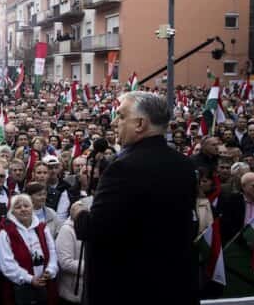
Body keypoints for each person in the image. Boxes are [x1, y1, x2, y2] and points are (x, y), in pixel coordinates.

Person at [73, 91, 198, 304]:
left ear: (140, 124)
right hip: (171, 285)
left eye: (121, 116)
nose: (114, 122)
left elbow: (95, 229)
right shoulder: (184, 165)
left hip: (126, 288)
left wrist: (79, 213)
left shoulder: (122, 168)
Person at [0, 193, 58, 304]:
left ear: (32, 208)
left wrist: (50, 270)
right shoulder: (6, 232)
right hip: (20, 288)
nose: (23, 209)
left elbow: (52, 252)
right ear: (12, 212)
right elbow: (7, 264)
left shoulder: (42, 228)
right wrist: (29, 278)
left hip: (45, 283)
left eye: (26, 206)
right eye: (18, 207)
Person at [55, 201, 87, 305]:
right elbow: (65, 263)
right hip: (71, 293)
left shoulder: (88, 229)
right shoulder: (66, 230)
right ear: (71, 214)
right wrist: (92, 266)